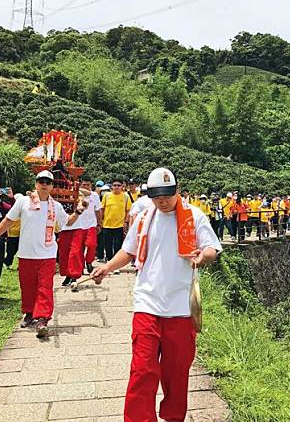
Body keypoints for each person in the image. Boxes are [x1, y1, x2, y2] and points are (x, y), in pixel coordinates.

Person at [90, 167, 221, 422]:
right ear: (150, 195)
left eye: (167, 196)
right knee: (142, 371)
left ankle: (173, 417)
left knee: (176, 374)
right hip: (147, 304)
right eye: (157, 197)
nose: (163, 201)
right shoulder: (144, 218)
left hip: (180, 308)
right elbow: (128, 252)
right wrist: (106, 267)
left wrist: (202, 257)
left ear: (177, 191)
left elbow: (212, 248)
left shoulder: (194, 216)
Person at [0, 170, 84, 337]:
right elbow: (8, 220)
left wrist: (79, 211)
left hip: (47, 254)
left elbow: (67, 222)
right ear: (36, 183)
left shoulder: (56, 206)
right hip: (26, 253)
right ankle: (29, 313)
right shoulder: (23, 202)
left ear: (52, 186)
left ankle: (43, 319)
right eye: (41, 181)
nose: (44, 184)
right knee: (28, 286)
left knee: (44, 287)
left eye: (48, 182)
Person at [101, 178, 132, 274]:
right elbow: (102, 209)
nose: (117, 187)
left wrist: (126, 223)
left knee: (118, 245)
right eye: (115, 185)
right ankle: (109, 263)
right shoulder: (106, 196)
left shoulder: (125, 196)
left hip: (119, 225)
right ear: (111, 186)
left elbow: (128, 211)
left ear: (122, 186)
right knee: (108, 245)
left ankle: (116, 265)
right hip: (107, 224)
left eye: (119, 185)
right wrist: (100, 221)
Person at [4, 193, 23, 269]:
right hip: (12, 234)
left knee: (21, 251)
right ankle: (7, 263)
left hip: (21, 234)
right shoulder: (11, 209)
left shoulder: (24, 210)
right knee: (11, 251)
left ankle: (20, 265)